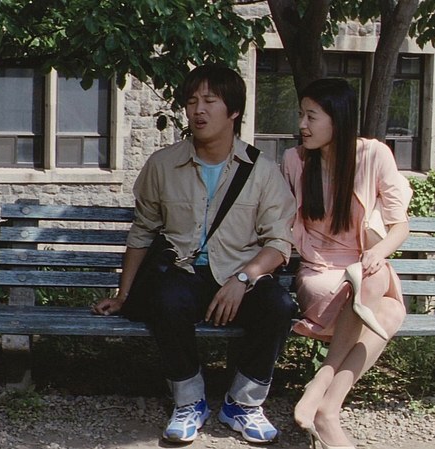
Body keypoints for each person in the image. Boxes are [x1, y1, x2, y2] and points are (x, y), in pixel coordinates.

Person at [92, 64, 297, 444]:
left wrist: (243, 279)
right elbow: (142, 233)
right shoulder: (163, 165)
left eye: (209, 101)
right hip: (184, 273)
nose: (198, 110)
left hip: (240, 274)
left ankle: (244, 403)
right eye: (191, 102)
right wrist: (123, 295)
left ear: (234, 110)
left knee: (279, 306)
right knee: (166, 300)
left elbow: (279, 242)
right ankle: (189, 401)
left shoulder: (263, 171)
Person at [282, 78, 412, 449]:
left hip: (364, 269)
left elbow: (400, 226)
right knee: (384, 305)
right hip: (320, 273)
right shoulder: (295, 161)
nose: (302, 125)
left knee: (379, 290)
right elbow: (279, 222)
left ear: (337, 119)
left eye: (311, 116)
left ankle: (325, 399)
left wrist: (378, 251)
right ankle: (325, 403)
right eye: (301, 115)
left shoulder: (374, 155)